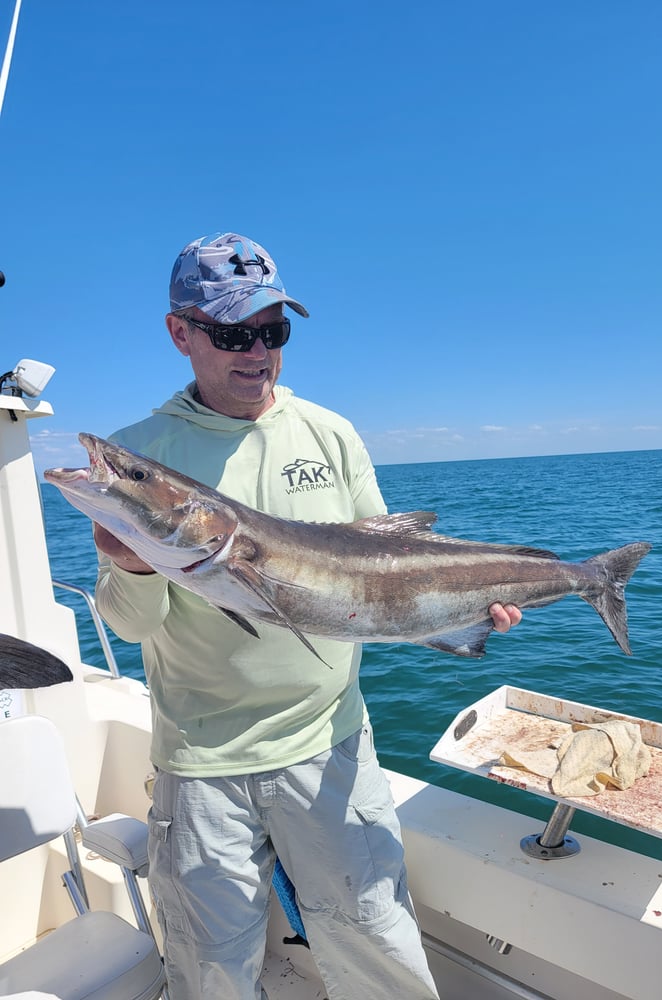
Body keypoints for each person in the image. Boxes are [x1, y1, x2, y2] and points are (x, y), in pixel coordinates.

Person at [93, 232, 522, 1000]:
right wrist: (131, 562)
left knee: (377, 943)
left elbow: (384, 570)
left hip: (331, 744)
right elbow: (128, 627)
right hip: (202, 761)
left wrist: (461, 607)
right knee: (211, 967)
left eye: (273, 329)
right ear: (180, 333)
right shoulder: (138, 456)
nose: (257, 351)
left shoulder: (330, 433)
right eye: (232, 332)